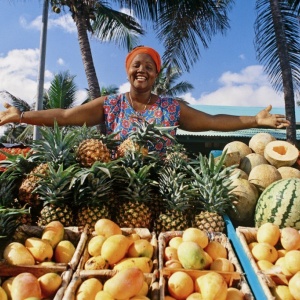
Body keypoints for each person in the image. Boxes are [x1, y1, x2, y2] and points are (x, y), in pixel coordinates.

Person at [0, 46, 290, 153]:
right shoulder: (109, 104)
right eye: (137, 65)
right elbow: (64, 117)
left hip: (163, 186)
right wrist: (21, 115)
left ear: (156, 76)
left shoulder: (171, 108)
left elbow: (213, 121)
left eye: (149, 67)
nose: (142, 70)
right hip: (121, 185)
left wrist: (254, 119)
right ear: (128, 70)